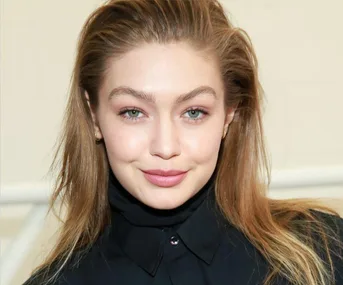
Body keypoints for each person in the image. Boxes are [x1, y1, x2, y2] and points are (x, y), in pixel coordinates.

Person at [23, 0, 343, 284]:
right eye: (133, 112)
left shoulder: (324, 252)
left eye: (193, 112)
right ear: (94, 117)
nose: (165, 146)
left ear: (229, 115)